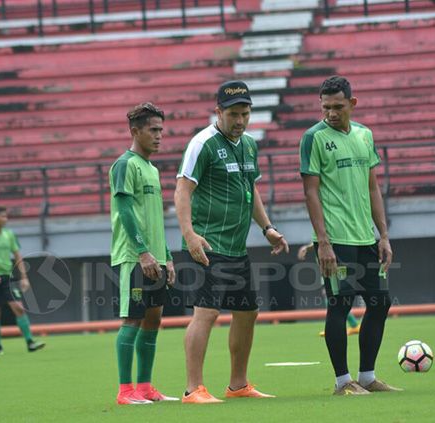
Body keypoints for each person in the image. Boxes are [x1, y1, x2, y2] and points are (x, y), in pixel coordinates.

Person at [175, 80, 289, 404]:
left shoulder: (250, 144)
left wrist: (267, 228)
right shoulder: (203, 143)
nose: (240, 121)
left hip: (236, 248)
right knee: (206, 314)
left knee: (247, 312)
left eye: (245, 113)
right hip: (207, 246)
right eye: (234, 114)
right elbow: (182, 191)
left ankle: (238, 384)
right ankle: (192, 389)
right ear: (218, 112)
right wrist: (190, 236)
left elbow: (249, 190)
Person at [299, 75, 400, 395]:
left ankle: (367, 377)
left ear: (352, 104)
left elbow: (373, 187)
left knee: (380, 302)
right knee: (340, 305)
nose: (330, 113)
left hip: (366, 239)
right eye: (325, 107)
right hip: (335, 241)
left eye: (338, 107)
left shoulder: (365, 136)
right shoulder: (313, 138)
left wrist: (383, 235)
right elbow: (310, 193)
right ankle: (343, 382)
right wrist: (323, 243)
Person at [110, 103, 178, 405]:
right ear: (135, 131)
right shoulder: (125, 164)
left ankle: (146, 387)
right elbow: (124, 209)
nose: (159, 136)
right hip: (134, 256)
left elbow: (155, 217)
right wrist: (142, 252)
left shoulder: (152, 168)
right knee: (132, 320)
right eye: (153, 130)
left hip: (155, 258)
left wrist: (166, 257)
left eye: (161, 130)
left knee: (153, 320)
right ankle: (125, 391)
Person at [0, 206, 45, 354]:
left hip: (7, 277)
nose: (5, 219)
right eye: (3, 216)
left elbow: (17, 256)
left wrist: (24, 277)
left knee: (19, 308)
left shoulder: (9, 235)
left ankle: (30, 342)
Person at [297, 242, 361, 337]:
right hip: (329, 272)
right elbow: (318, 241)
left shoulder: (328, 238)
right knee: (334, 300)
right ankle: (350, 325)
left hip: (334, 271)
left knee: (334, 300)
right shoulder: (320, 240)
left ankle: (336, 328)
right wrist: (306, 247)